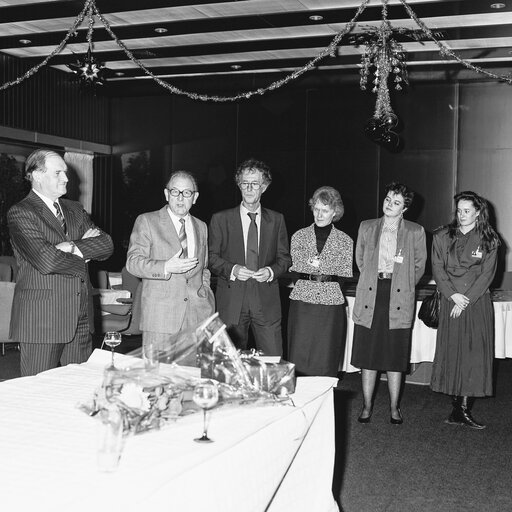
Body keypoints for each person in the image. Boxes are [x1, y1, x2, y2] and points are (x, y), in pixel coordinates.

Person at [7, 148, 113, 376]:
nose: (66, 178)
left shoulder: (75, 209)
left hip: (80, 318)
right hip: (43, 320)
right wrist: (84, 251)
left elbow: (107, 245)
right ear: (37, 175)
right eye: (58, 173)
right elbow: (47, 260)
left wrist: (72, 247)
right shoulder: (21, 213)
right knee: (38, 394)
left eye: (65, 172)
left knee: (78, 392)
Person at [351, 182, 426, 424]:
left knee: (395, 355)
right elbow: (361, 261)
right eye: (388, 199)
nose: (389, 205)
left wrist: (400, 282)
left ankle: (395, 407)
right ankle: (367, 405)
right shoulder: (366, 226)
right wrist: (376, 276)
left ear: (405, 209)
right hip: (371, 294)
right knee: (368, 355)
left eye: (396, 202)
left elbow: (418, 267)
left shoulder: (416, 231)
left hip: (399, 294)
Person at [126, 170, 214, 363]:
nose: (180, 198)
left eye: (187, 193)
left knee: (190, 381)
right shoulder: (147, 221)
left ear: (195, 197)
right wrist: (166, 266)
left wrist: (204, 293)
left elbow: (204, 268)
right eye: (175, 192)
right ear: (166, 194)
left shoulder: (202, 226)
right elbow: (133, 263)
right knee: (158, 383)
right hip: (160, 318)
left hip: (196, 317)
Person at [430, 191, 499, 430]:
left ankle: (463, 408)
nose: (462, 215)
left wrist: (466, 299)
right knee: (452, 351)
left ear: (478, 212)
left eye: (467, 211)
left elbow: (487, 275)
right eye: (459, 210)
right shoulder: (441, 236)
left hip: (476, 303)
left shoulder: (489, 238)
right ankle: (455, 408)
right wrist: (453, 295)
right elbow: (437, 269)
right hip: (451, 301)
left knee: (473, 355)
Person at [208, 158, 291, 356]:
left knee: (274, 363)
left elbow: (285, 259)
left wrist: (271, 271)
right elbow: (210, 258)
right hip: (231, 301)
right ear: (239, 185)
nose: (250, 188)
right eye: (245, 183)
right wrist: (233, 269)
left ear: (264, 187)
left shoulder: (277, 220)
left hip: (266, 301)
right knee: (228, 364)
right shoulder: (220, 219)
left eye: (255, 184)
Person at [287, 186, 353, 377]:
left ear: (335, 212)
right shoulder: (298, 236)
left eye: (325, 210)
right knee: (298, 354)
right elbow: (296, 266)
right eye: (316, 209)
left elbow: (343, 274)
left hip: (330, 305)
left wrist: (321, 279)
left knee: (326, 357)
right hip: (302, 302)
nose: (319, 214)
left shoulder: (345, 241)